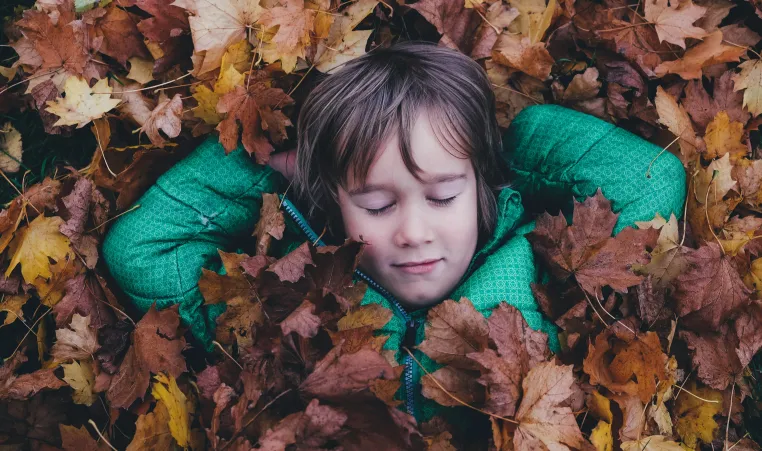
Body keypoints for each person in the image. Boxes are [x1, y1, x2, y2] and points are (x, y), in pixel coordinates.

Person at [100, 40, 687, 425]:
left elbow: (652, 179)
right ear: (334, 205)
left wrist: (510, 146)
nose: (414, 231)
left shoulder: (542, 268)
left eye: (443, 195)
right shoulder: (288, 302)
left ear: (480, 187)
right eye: (377, 204)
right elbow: (141, 247)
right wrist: (268, 165)